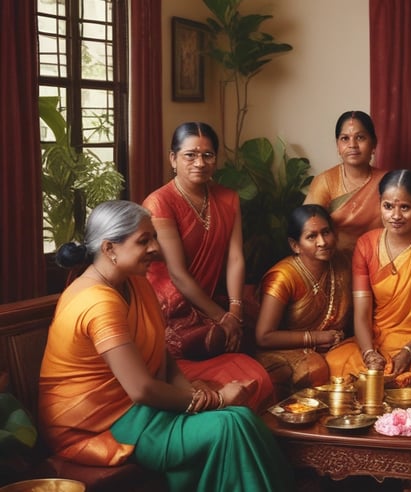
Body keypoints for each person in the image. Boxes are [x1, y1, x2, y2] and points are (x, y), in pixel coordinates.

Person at [38, 200, 292, 492]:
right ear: (109, 249)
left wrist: (196, 395)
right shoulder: (96, 302)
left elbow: (162, 356)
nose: (156, 248)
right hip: (95, 427)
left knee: (242, 417)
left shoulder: (136, 284)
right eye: (143, 241)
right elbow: (142, 389)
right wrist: (217, 400)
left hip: (135, 410)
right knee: (228, 427)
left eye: (154, 238)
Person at [143, 122, 274, 411]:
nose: (200, 163)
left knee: (249, 333)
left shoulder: (228, 198)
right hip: (172, 311)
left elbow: (235, 257)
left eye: (208, 155)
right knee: (220, 339)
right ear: (172, 159)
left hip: (214, 305)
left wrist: (236, 311)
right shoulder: (160, 202)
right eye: (190, 155)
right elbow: (177, 273)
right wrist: (222, 318)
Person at [326, 169, 411, 387]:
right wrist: (369, 352)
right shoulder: (366, 245)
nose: (395, 216)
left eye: (405, 207)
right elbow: (362, 314)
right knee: (336, 362)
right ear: (379, 204)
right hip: (378, 339)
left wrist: (409, 350)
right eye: (388, 206)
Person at [252, 204, 352, 394]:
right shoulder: (283, 277)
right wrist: (315, 337)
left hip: (332, 346)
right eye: (311, 236)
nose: (322, 242)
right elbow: (264, 337)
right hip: (285, 351)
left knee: (362, 364)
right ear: (295, 245)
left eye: (326, 232)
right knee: (314, 370)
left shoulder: (343, 265)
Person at [303, 110, 387, 257]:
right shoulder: (326, 181)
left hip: (377, 260)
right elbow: (306, 228)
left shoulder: (386, 182)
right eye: (345, 138)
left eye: (360, 137)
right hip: (333, 262)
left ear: (374, 144)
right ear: (337, 145)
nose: (352, 145)